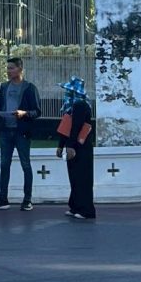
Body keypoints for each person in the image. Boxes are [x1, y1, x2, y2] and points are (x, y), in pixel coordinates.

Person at [0, 57, 41, 211]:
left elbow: (37, 111)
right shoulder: (4, 87)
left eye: (11, 68)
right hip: (6, 131)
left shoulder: (29, 88)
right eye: (8, 68)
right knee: (4, 164)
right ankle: (3, 198)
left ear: (20, 69)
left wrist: (24, 113)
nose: (8, 71)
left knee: (25, 164)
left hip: (21, 132)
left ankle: (27, 199)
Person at [56, 76, 96, 220]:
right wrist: (61, 145)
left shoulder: (80, 105)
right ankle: (75, 206)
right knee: (74, 177)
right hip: (74, 145)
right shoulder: (71, 107)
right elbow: (66, 127)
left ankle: (86, 209)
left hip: (81, 147)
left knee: (82, 178)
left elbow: (75, 127)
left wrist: (70, 146)